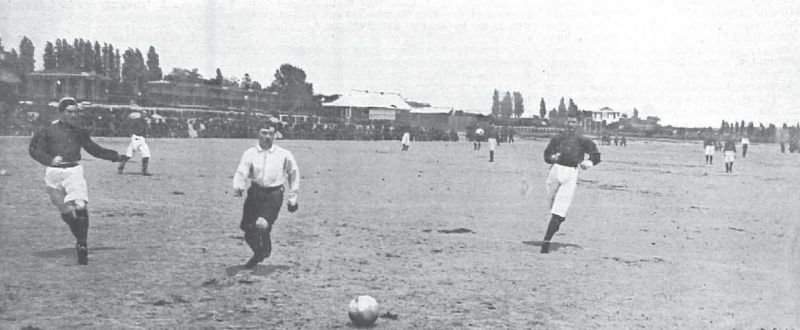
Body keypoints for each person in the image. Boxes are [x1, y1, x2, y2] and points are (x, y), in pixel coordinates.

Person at [28, 97, 129, 265]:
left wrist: (115, 156)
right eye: (69, 112)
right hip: (53, 174)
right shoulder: (47, 130)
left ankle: (82, 245)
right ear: (61, 112)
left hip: (73, 171)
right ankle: (79, 234)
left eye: (75, 112)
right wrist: (49, 160)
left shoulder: (79, 131)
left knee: (80, 205)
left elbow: (93, 149)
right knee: (66, 212)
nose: (73, 115)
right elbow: (34, 150)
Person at [232, 125, 300, 268]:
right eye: (264, 133)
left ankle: (266, 244)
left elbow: (294, 175)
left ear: (275, 135)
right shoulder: (250, 153)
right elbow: (242, 171)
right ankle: (259, 253)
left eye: (271, 133)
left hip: (274, 194)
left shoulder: (284, 154)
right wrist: (238, 186)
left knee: (261, 224)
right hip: (255, 193)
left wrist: (292, 198)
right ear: (258, 134)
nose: (267, 137)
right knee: (248, 232)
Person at [539, 114, 601, 254]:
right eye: (568, 121)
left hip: (571, 173)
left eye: (573, 121)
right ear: (565, 122)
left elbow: (596, 155)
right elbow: (547, 155)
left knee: (559, 209)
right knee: (551, 203)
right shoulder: (558, 138)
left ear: (578, 123)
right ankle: (558, 220)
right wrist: (551, 157)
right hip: (555, 171)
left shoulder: (583, 139)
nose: (570, 124)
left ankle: (546, 241)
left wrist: (589, 162)